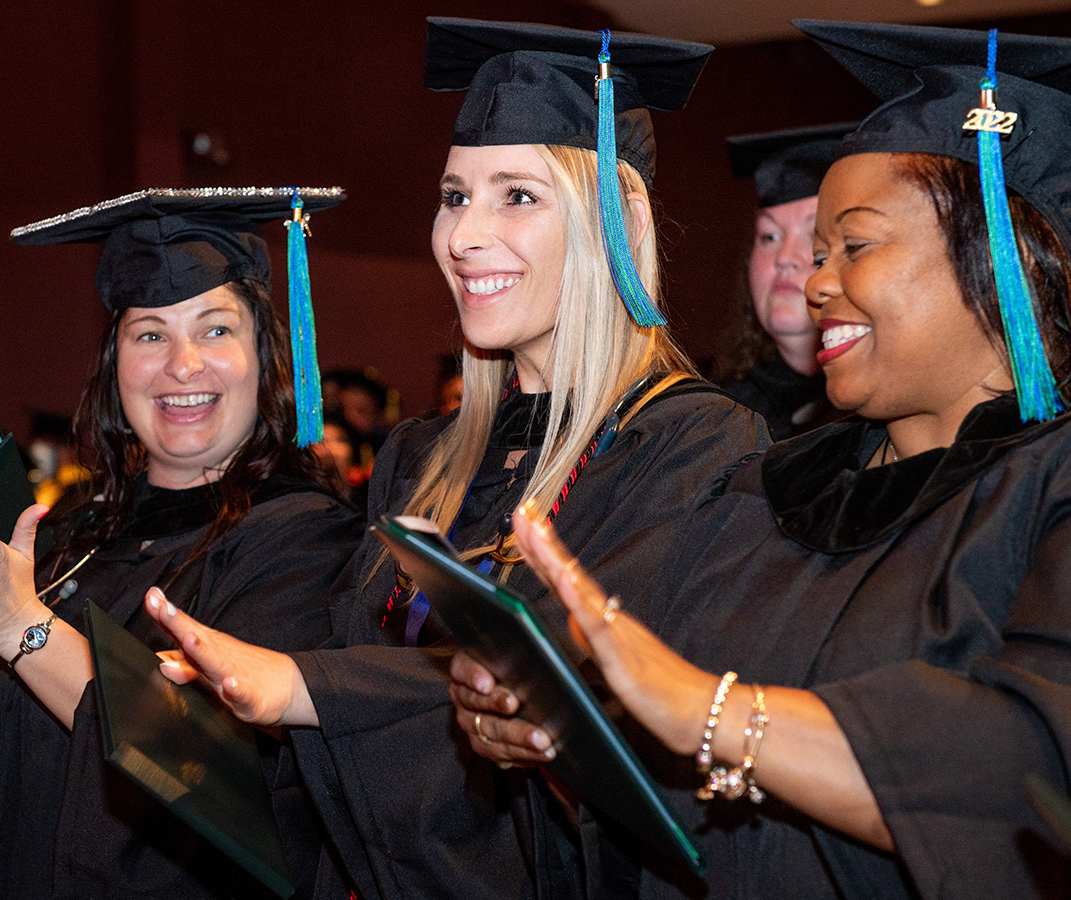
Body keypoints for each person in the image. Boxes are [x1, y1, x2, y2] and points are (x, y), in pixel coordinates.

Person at [142, 18, 767, 900]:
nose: (463, 234)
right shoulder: (421, 459)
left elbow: (585, 706)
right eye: (452, 194)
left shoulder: (695, 448)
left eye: (516, 195)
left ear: (615, 228)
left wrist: (300, 687)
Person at [452, 20, 1071, 900]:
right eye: (815, 253)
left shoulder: (1049, 490)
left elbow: (1029, 775)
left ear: (1000, 258)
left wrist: (708, 712)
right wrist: (558, 730)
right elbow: (656, 787)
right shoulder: (760, 493)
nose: (815, 282)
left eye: (854, 246)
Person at [0, 188, 365, 899]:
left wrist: (22, 627)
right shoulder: (68, 540)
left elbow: (212, 772)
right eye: (149, 334)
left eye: (214, 330)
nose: (181, 366)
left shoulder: (303, 542)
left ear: (265, 354)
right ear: (115, 362)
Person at [714, 124, 852, 439]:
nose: (784, 257)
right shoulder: (715, 419)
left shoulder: (880, 420)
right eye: (769, 236)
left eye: (814, 234)